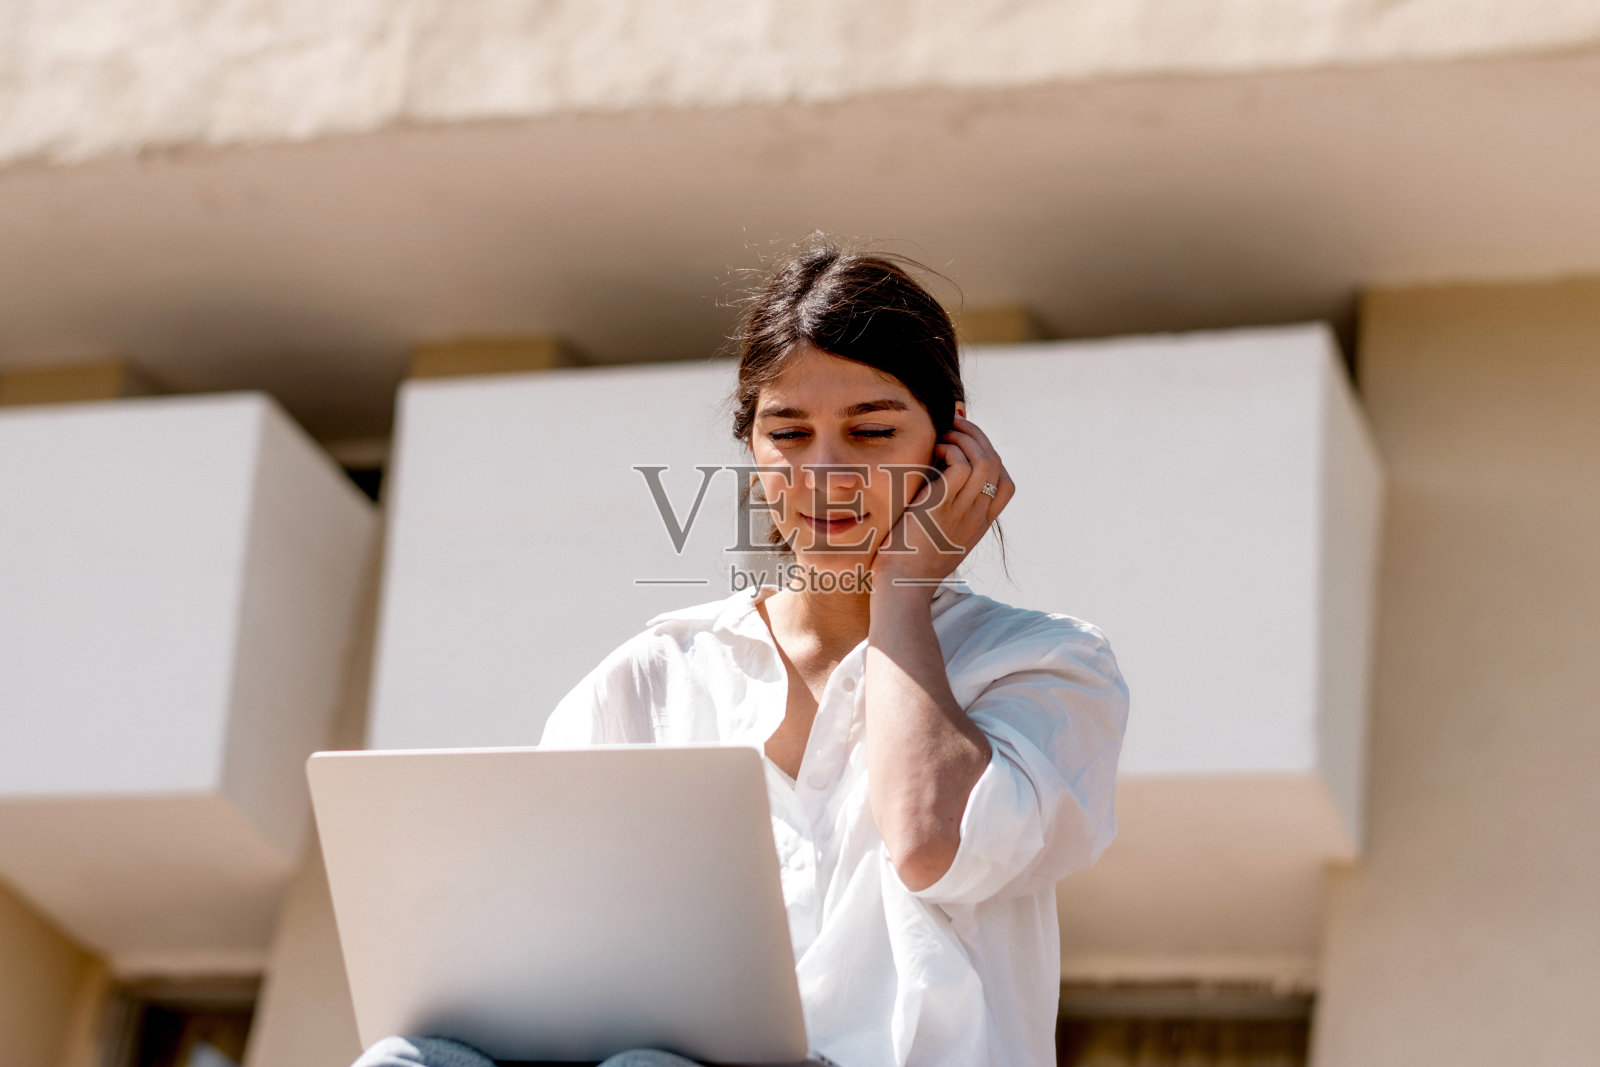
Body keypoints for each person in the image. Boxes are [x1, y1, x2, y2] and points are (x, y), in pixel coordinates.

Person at [352, 242, 1130, 1067]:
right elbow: (542, 943)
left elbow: (933, 842)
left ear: (950, 444)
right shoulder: (653, 677)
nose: (824, 472)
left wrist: (902, 590)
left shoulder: (1047, 664)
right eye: (787, 432)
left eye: (870, 430)